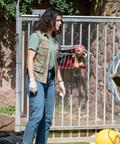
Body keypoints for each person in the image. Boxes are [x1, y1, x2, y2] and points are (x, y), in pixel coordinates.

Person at [23, 7, 66, 144]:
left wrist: (60, 82)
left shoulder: (54, 40)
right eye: (58, 20)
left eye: (61, 21)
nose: (60, 23)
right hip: (36, 79)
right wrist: (32, 80)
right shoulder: (37, 36)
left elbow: (55, 63)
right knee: (37, 116)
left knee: (47, 118)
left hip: (50, 81)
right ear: (50, 20)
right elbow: (29, 59)